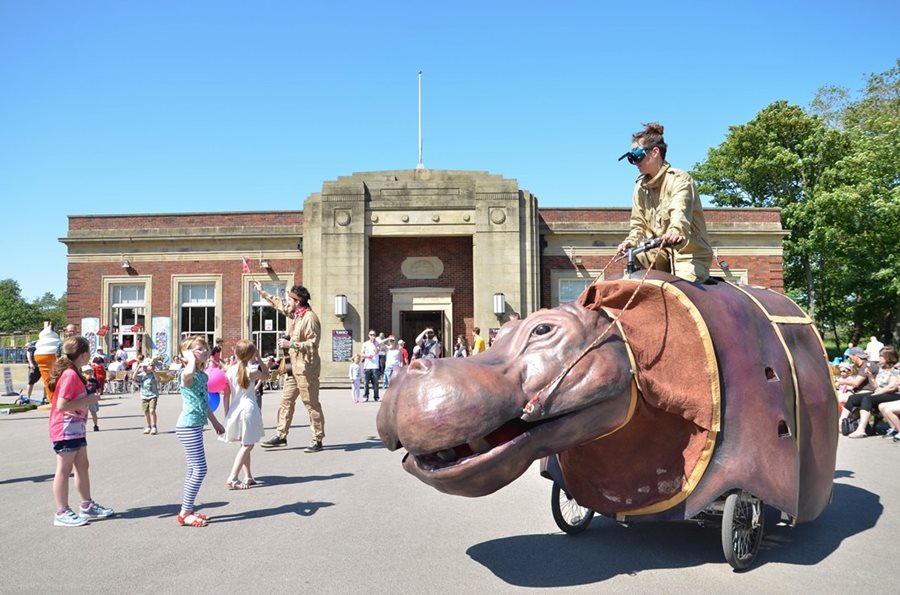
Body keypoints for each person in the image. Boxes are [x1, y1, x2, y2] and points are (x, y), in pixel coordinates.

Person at [615, 122, 713, 283]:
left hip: (687, 254)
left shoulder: (679, 179)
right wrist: (630, 242)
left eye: (637, 155)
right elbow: (638, 223)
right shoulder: (640, 186)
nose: (635, 162)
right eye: (630, 158)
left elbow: (679, 211)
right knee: (630, 280)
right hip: (657, 253)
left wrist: (675, 231)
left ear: (654, 152)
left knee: (682, 290)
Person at [47, 336, 114, 527]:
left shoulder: (73, 372)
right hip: (65, 427)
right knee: (64, 469)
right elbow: (62, 405)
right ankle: (62, 511)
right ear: (84, 354)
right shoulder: (69, 374)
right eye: (89, 352)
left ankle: (86, 504)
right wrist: (89, 400)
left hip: (75, 427)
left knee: (82, 465)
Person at [255, 282, 324, 452]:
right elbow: (280, 305)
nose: (288, 303)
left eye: (291, 300)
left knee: (311, 404)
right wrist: (262, 292)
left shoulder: (309, 318)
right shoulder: (297, 315)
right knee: (286, 402)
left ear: (298, 301)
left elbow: (312, 344)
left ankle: (318, 439)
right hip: (292, 369)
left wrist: (290, 344)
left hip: (307, 369)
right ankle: (281, 436)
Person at [175, 335, 225, 527]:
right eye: (199, 349)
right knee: (200, 469)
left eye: (205, 348)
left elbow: (204, 404)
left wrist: (215, 422)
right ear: (188, 354)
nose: (205, 351)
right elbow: (188, 374)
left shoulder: (203, 376)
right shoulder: (186, 374)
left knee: (193, 469)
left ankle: (187, 509)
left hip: (195, 425)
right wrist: (189, 357)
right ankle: (185, 512)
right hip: (187, 426)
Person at [220, 339, 267, 490]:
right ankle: (233, 477)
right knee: (248, 444)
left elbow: (226, 395)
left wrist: (227, 413)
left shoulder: (230, 370)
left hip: (235, 408)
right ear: (251, 353)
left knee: (244, 442)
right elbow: (266, 375)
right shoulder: (252, 370)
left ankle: (248, 476)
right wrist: (259, 358)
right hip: (249, 407)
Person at [840, 345, 900, 438]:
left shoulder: (895, 370)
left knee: (867, 398)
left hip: (893, 394)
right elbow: (876, 385)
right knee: (853, 398)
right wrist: (870, 376)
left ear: (888, 357)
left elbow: (891, 387)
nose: (879, 357)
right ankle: (841, 424)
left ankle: (861, 429)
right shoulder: (881, 368)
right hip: (881, 393)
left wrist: (878, 392)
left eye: (881, 355)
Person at [35, 321, 60, 405]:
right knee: (51, 381)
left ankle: (53, 400)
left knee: (49, 381)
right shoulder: (56, 340)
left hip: (42, 353)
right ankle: (53, 400)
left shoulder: (45, 337)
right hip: (49, 353)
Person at [135, 358, 160, 435]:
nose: (144, 368)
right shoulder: (142, 374)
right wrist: (138, 368)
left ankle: (154, 426)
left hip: (153, 395)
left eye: (146, 367)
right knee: (146, 412)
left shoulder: (153, 374)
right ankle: (148, 426)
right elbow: (133, 378)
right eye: (144, 367)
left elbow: (158, 379)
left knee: (152, 410)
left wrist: (152, 370)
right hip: (144, 395)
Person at [362, 330, 382, 402]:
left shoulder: (377, 344)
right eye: (371, 334)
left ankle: (376, 396)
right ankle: (365, 396)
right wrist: (367, 356)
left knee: (376, 383)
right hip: (367, 366)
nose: (372, 336)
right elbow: (362, 354)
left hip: (375, 366)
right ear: (368, 335)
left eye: (373, 334)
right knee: (366, 383)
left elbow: (377, 351)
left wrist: (374, 343)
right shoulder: (365, 344)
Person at [81, 365, 101, 432]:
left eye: (90, 372)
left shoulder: (94, 381)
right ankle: (82, 426)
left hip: (92, 398)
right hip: (84, 398)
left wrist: (98, 395)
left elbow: (99, 389)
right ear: (82, 373)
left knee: (93, 412)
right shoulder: (81, 381)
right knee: (82, 413)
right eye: (87, 372)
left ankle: (95, 425)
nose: (89, 374)